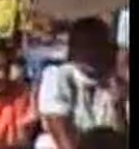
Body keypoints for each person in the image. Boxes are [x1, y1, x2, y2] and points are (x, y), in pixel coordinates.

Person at [35, 19, 125, 149]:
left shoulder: (116, 80)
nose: (92, 52)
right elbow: (57, 122)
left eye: (97, 45)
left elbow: (121, 136)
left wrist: (118, 105)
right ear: (72, 49)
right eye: (85, 46)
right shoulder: (57, 75)